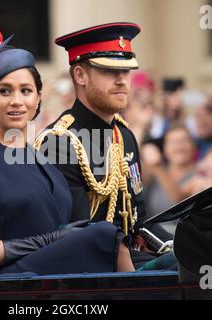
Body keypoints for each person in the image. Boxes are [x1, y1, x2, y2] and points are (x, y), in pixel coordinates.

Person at [0, 37, 135, 275]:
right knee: (106, 235)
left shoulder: (38, 158)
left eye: (26, 91)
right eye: (4, 91)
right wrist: (47, 241)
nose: (17, 101)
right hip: (5, 278)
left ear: (37, 99)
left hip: (49, 272)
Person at [35, 23, 173, 268]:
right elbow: (77, 233)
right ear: (80, 75)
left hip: (130, 255)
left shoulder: (125, 135)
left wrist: (171, 243)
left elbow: (138, 217)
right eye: (110, 71)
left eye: (126, 71)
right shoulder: (59, 143)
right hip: (92, 269)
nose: (122, 81)